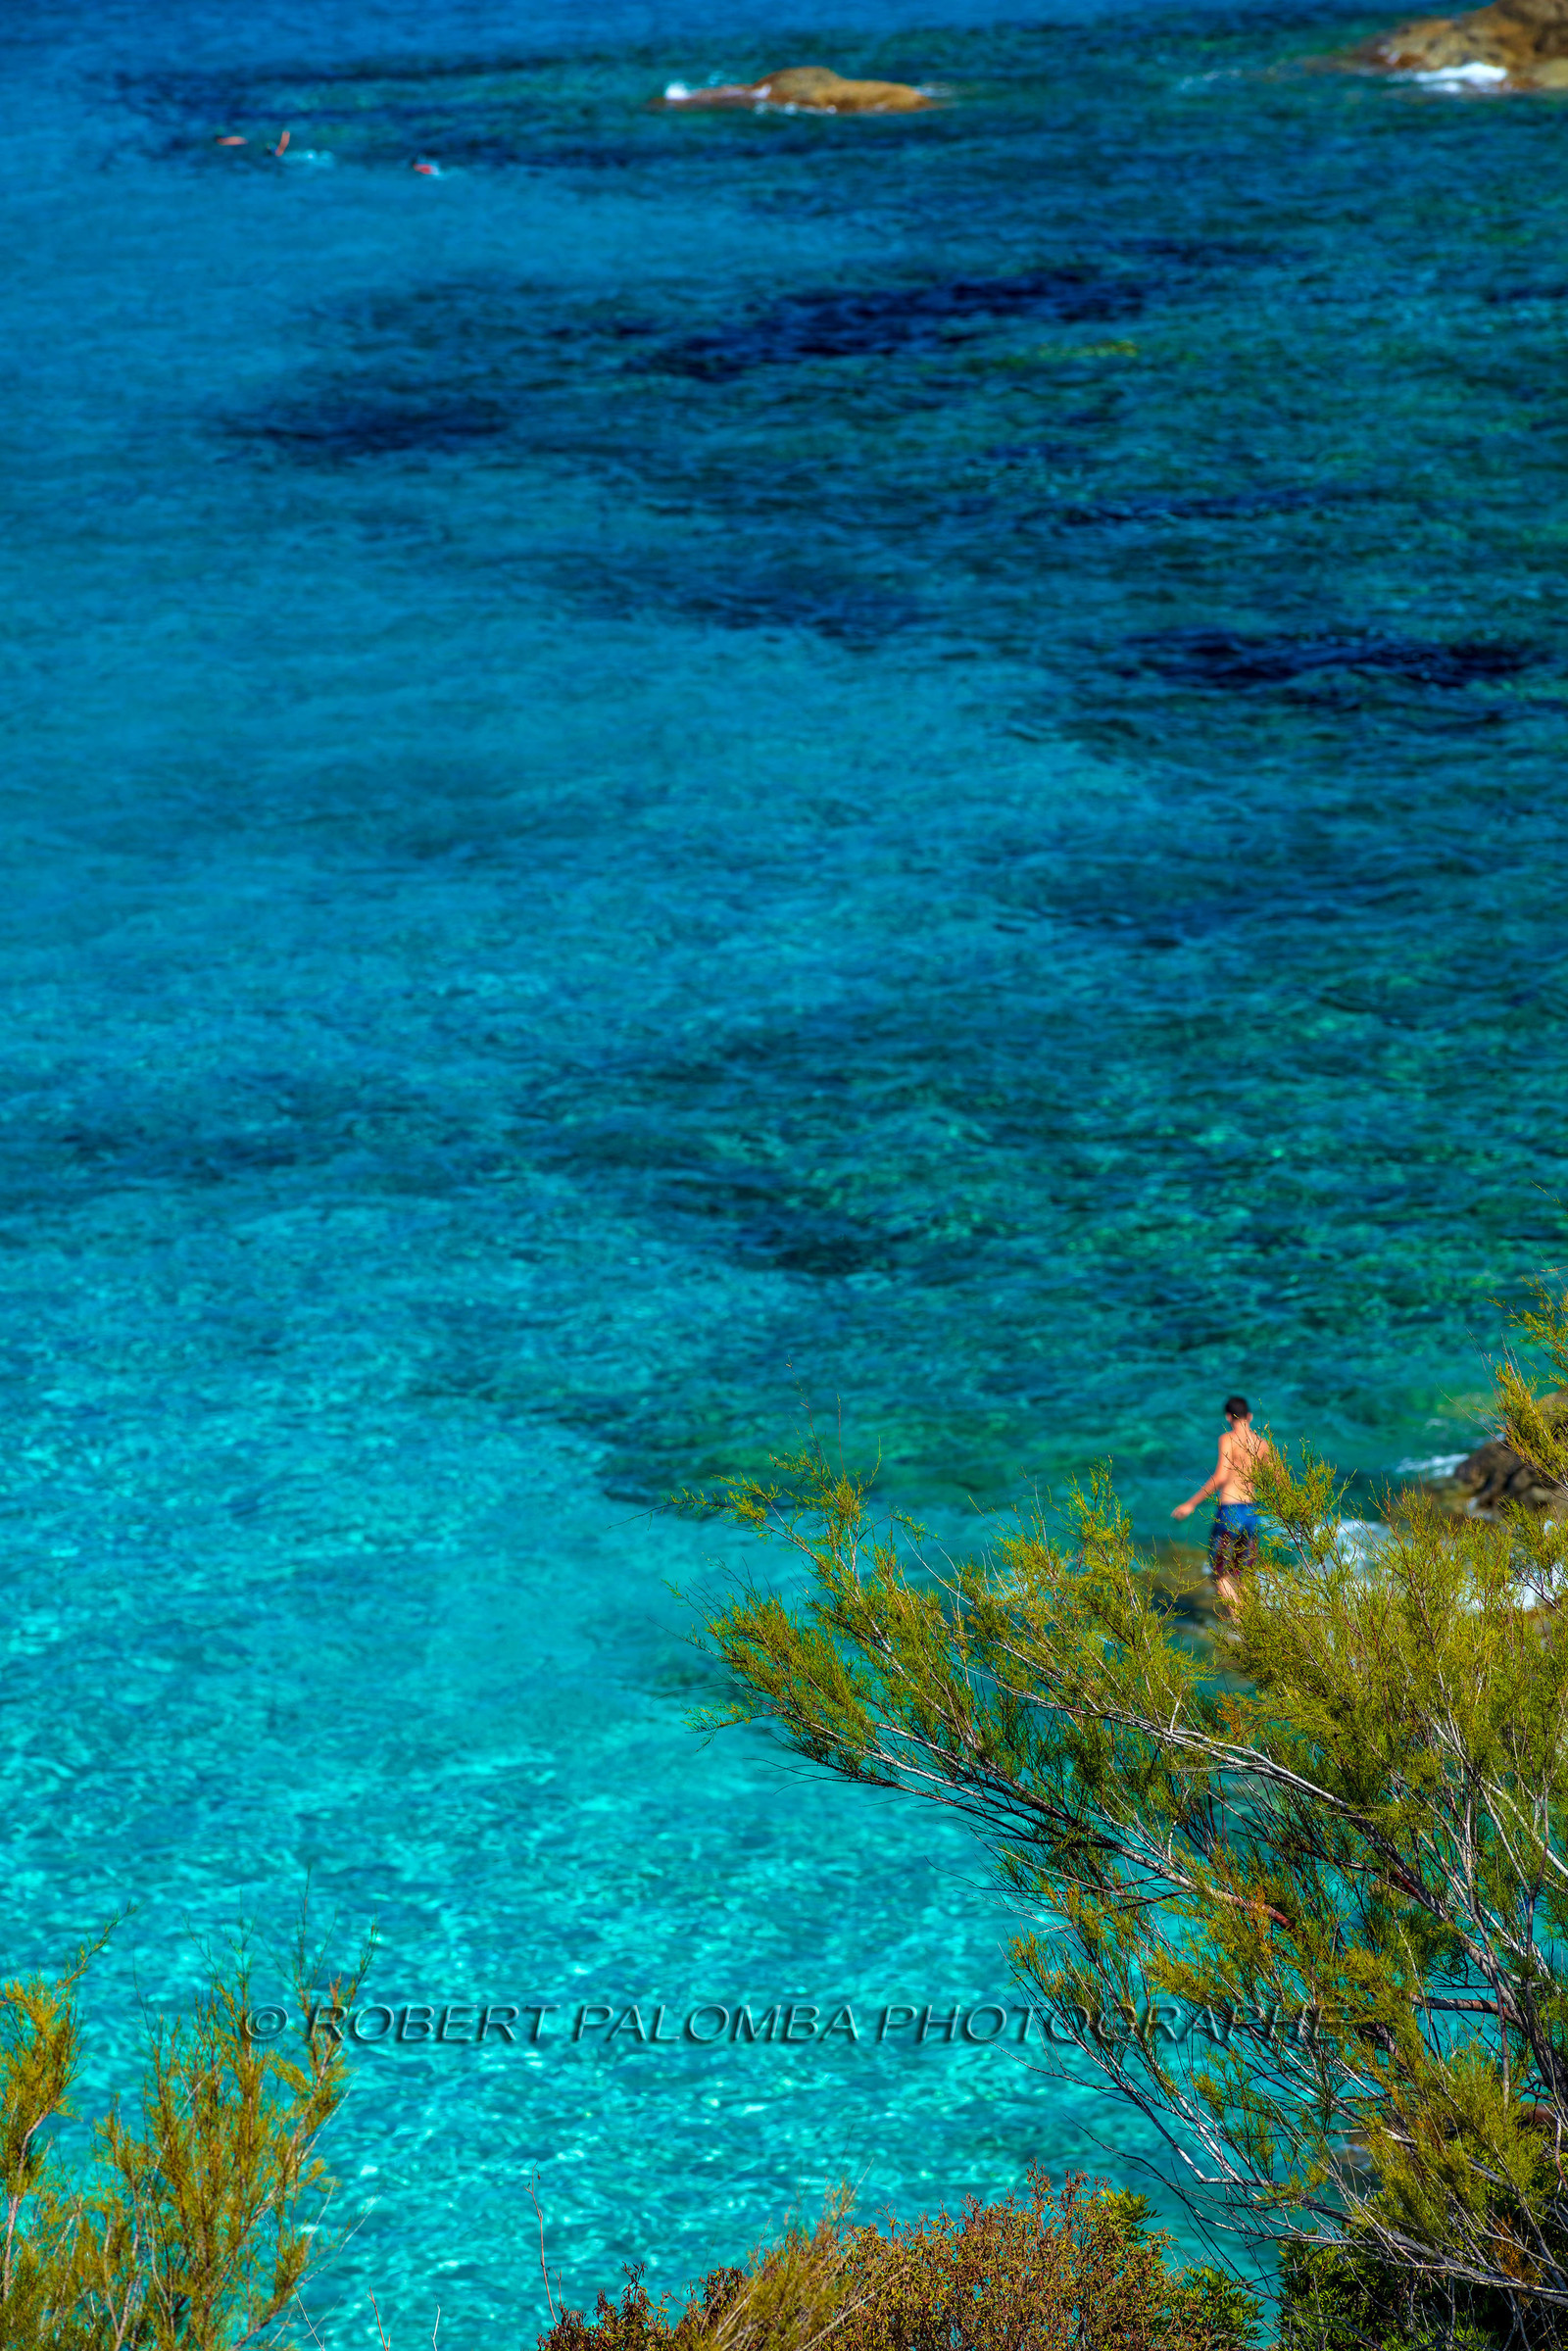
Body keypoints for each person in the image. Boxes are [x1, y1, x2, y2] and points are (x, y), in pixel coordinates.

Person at [1172, 1396, 1270, 1612]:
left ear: (1228, 1416)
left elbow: (1221, 1476)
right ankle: (1251, 1625)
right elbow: (1277, 1478)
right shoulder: (1262, 1444)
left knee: (1219, 1573)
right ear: (1250, 1416)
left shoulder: (1228, 1439)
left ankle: (1238, 1622)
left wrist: (1190, 1504)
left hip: (1230, 1511)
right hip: (1252, 1513)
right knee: (1242, 1573)